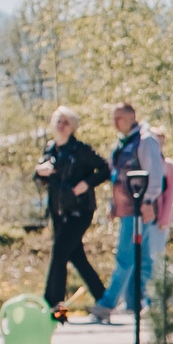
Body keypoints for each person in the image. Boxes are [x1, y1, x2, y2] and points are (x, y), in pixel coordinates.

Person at [89, 103, 170, 322]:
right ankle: (142, 303)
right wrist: (112, 205)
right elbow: (117, 177)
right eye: (114, 118)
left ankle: (106, 305)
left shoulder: (145, 140)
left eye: (120, 118)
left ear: (132, 117)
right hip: (125, 209)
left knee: (125, 257)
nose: (116, 122)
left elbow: (154, 174)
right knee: (142, 259)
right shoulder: (121, 143)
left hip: (138, 208)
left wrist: (148, 201)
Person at [35, 106, 110, 309]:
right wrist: (40, 171)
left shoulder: (81, 150)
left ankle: (52, 304)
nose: (61, 126)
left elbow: (105, 168)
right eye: (58, 121)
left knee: (59, 252)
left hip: (80, 210)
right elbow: (41, 178)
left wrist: (87, 183)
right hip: (58, 212)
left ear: (72, 126)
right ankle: (104, 298)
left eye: (65, 122)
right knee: (76, 256)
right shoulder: (50, 149)